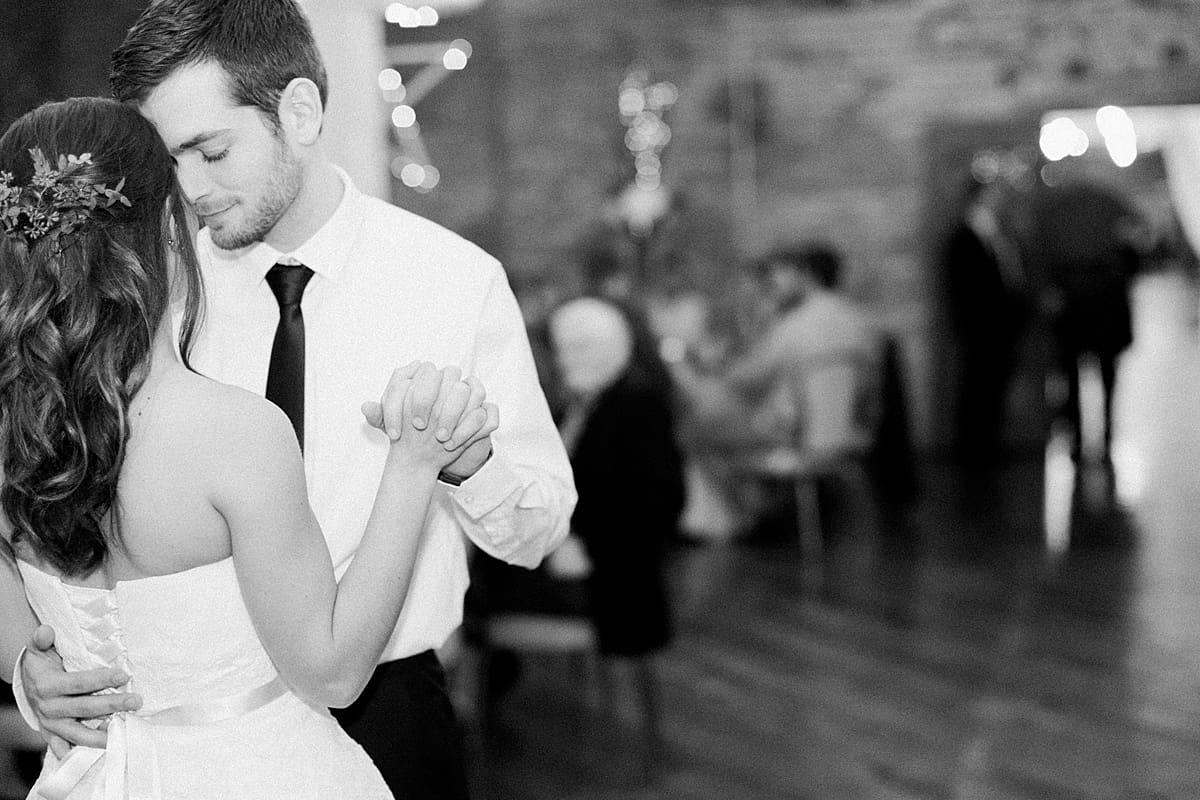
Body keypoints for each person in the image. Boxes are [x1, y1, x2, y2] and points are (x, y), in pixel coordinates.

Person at [13, 2, 577, 798]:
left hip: (390, 702)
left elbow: (539, 529)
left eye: (211, 151)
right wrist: (27, 659)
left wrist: (468, 460)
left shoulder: (453, 280)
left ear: (300, 112)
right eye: (165, 162)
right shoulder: (143, 297)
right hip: (175, 729)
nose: (189, 190)